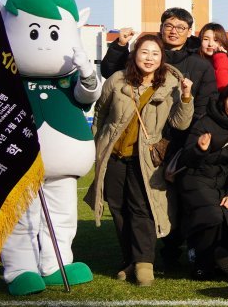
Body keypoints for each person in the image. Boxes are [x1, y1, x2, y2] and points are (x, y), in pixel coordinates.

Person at [87, 34, 195, 286]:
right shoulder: (116, 80)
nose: (149, 58)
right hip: (113, 154)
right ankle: (130, 261)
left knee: (142, 208)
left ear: (161, 58)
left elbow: (181, 123)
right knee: (117, 207)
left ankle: (145, 262)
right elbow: (101, 114)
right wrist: (96, 146)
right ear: (134, 54)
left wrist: (187, 97)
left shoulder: (170, 85)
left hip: (144, 158)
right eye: (144, 52)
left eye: (155, 53)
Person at [175, 80, 228, 281]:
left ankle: (216, 260)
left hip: (222, 181)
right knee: (212, 215)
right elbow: (187, 158)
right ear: (224, 100)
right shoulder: (206, 121)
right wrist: (200, 149)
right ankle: (202, 264)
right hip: (196, 177)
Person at [100, 7, 216, 119]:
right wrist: (120, 46)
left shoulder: (201, 65)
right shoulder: (144, 57)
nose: (173, 31)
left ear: (189, 31)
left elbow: (203, 108)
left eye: (180, 27)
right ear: (161, 28)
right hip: (140, 128)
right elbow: (110, 73)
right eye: (168, 26)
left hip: (181, 132)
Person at [196, 23, 228, 91]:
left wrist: (220, 57)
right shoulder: (194, 62)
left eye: (216, 40)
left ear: (223, 42)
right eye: (206, 39)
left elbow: (224, 87)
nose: (210, 44)